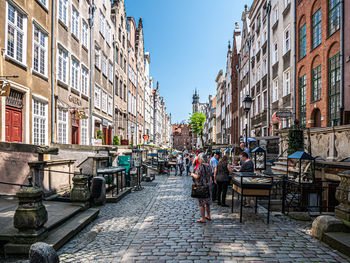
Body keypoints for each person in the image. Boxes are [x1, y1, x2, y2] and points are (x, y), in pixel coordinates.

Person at [190, 153, 212, 223]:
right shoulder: (209, 166)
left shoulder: (200, 166)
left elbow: (197, 176)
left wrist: (192, 174)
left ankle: (203, 218)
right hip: (208, 185)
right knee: (208, 202)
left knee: (201, 203)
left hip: (201, 185)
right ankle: (208, 215)